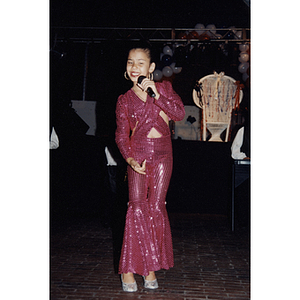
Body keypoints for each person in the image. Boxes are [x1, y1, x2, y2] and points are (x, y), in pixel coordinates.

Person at [115, 44, 185, 292]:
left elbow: (178, 113)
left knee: (156, 208)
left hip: (164, 155)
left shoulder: (164, 88)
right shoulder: (124, 100)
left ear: (151, 67)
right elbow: (122, 135)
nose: (134, 67)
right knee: (136, 207)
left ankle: (150, 267)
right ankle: (128, 270)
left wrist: (157, 92)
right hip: (139, 156)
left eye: (140, 63)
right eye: (130, 62)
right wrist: (130, 159)